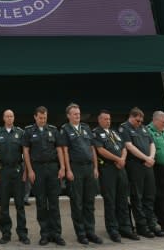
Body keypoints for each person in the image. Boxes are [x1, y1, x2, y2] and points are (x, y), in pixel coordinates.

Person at [23, 106, 67, 246]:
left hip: (53, 168)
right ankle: (45, 234)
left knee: (54, 202)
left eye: (45, 118)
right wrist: (30, 170)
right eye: (40, 118)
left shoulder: (53, 130)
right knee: (41, 203)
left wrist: (62, 167)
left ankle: (57, 234)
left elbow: (59, 149)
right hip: (38, 169)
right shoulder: (29, 131)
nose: (43, 120)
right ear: (35, 117)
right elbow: (26, 152)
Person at [60, 103, 102, 245]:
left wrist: (96, 167)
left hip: (89, 168)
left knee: (89, 202)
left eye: (79, 113)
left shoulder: (85, 127)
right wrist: (68, 170)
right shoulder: (65, 129)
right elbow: (65, 150)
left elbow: (92, 148)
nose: (78, 116)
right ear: (68, 116)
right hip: (75, 169)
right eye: (75, 114)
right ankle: (81, 233)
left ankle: (91, 232)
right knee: (77, 203)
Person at [93, 109, 137, 242]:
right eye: (105, 119)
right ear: (99, 120)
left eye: (109, 119)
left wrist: (122, 159)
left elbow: (123, 147)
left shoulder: (114, 132)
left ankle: (125, 228)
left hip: (120, 169)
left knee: (123, 200)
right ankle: (113, 229)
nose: (108, 121)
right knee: (110, 201)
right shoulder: (96, 133)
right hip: (108, 170)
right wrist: (117, 160)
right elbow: (100, 150)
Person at [119, 107, 163, 238]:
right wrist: (146, 158)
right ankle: (141, 226)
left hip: (148, 165)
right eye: (137, 120)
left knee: (149, 195)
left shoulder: (143, 128)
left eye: (141, 120)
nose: (139, 123)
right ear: (131, 117)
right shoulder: (124, 128)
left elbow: (152, 143)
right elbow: (129, 146)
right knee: (137, 197)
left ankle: (152, 223)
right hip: (135, 166)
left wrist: (151, 157)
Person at [0, 109, 29, 245]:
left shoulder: (20, 133)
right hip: (4, 172)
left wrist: (26, 171)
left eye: (11, 116)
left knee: (20, 204)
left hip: (17, 171)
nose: (9, 118)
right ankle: (6, 234)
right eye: (7, 116)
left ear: (14, 118)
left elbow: (25, 153)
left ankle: (22, 234)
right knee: (4, 205)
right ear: (3, 118)